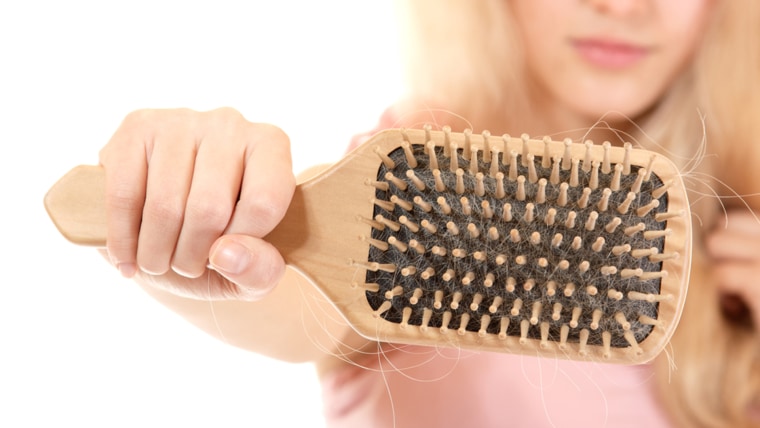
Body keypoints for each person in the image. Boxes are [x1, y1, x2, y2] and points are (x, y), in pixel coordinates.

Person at [96, 1, 760, 426]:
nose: (620, 5)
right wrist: (190, 238)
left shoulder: (747, 223)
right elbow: (299, 309)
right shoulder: (417, 170)